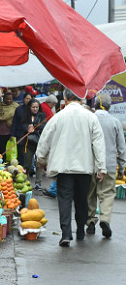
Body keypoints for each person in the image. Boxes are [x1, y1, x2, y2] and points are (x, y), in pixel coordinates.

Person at [36, 89, 106, 247]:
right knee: (82, 201)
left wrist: (41, 159)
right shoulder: (91, 117)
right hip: (84, 168)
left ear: (65, 99)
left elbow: (45, 139)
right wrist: (101, 167)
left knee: (65, 200)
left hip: (64, 167)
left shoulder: (58, 117)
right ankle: (80, 230)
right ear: (81, 100)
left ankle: (66, 234)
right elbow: (98, 143)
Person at [86, 93, 126, 238]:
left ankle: (90, 221)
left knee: (90, 194)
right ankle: (105, 219)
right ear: (109, 106)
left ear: (94, 105)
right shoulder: (115, 122)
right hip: (109, 165)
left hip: (90, 165)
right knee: (107, 194)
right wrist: (121, 168)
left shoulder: (89, 120)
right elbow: (121, 148)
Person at [20, 99, 47, 189]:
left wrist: (34, 127)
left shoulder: (42, 115)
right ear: (30, 107)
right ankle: (24, 180)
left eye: (36, 107)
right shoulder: (26, 115)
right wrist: (27, 128)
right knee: (27, 164)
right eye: (33, 107)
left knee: (38, 163)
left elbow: (44, 126)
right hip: (28, 143)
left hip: (39, 142)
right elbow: (23, 126)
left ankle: (38, 183)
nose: (35, 109)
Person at [11, 92, 35, 165]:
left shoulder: (34, 109)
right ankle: (21, 167)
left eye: (29, 99)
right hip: (20, 134)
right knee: (21, 152)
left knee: (30, 152)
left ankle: (30, 168)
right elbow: (14, 122)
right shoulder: (19, 109)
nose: (28, 100)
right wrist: (12, 134)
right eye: (26, 98)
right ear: (23, 99)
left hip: (31, 134)